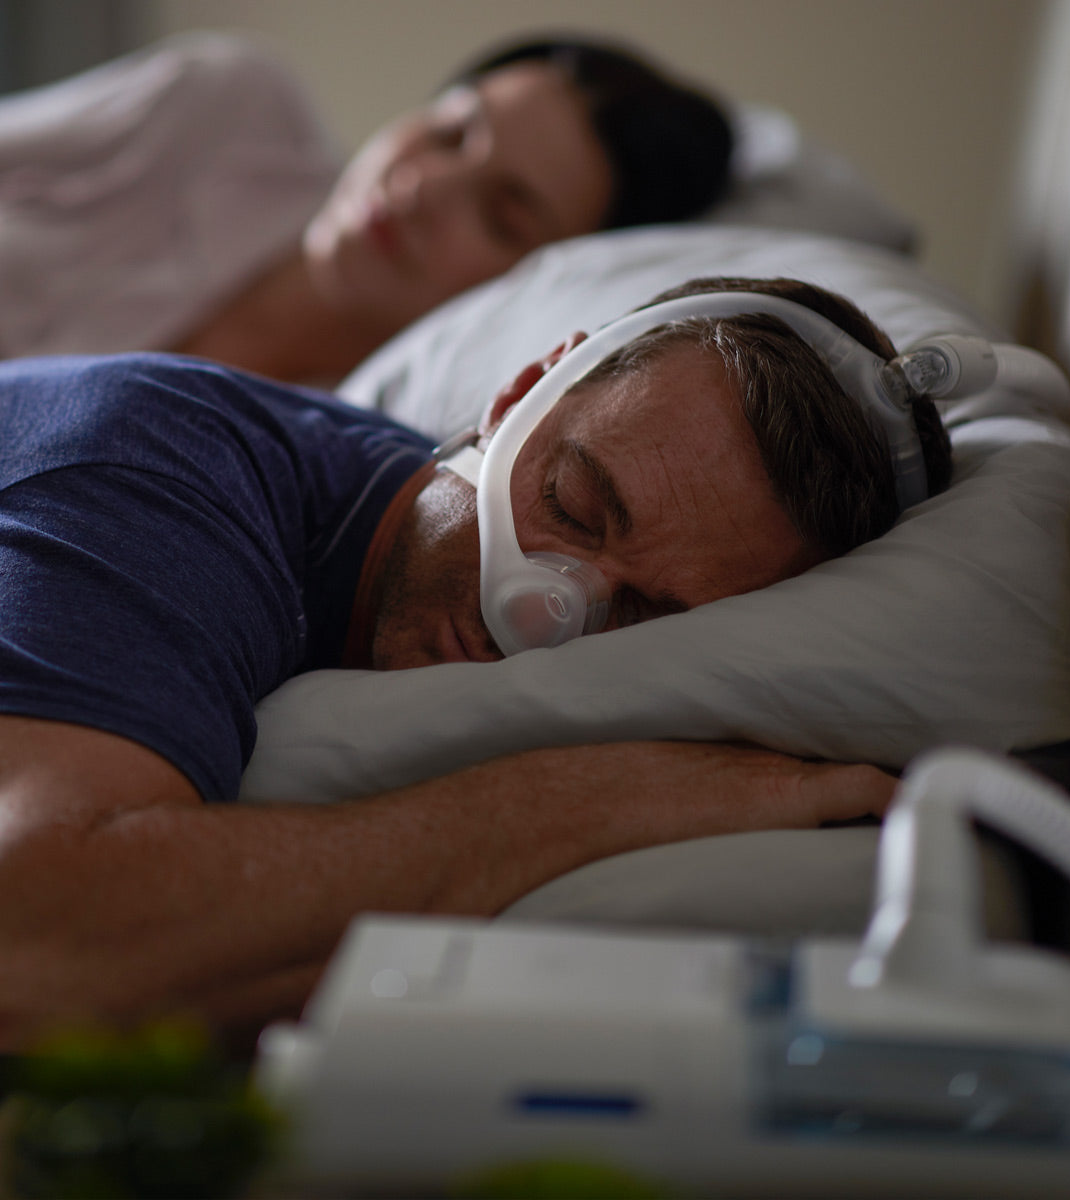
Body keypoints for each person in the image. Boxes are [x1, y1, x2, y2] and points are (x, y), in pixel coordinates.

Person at [0, 277, 951, 1046]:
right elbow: (36, 936)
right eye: (573, 507)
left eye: (647, 616)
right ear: (516, 395)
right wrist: (586, 802)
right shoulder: (156, 477)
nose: (543, 608)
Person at [0, 32, 732, 383]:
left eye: (501, 216)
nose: (420, 188)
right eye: (448, 132)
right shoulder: (228, 110)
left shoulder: (353, 456)